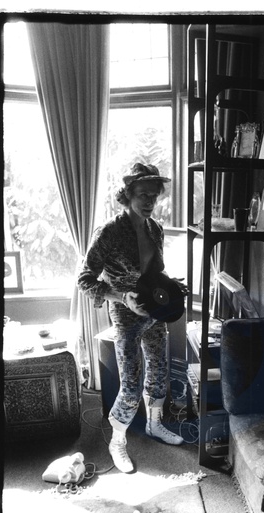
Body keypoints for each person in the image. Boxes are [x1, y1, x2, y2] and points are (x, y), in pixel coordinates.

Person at [78, 162, 185, 473]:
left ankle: (155, 424)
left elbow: (154, 273)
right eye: (142, 195)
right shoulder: (109, 232)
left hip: (155, 312)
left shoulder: (155, 229)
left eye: (154, 195)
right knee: (131, 382)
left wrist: (172, 286)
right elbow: (85, 279)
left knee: (159, 370)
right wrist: (122, 297)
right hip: (125, 315)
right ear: (127, 195)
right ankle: (118, 441)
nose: (150, 201)